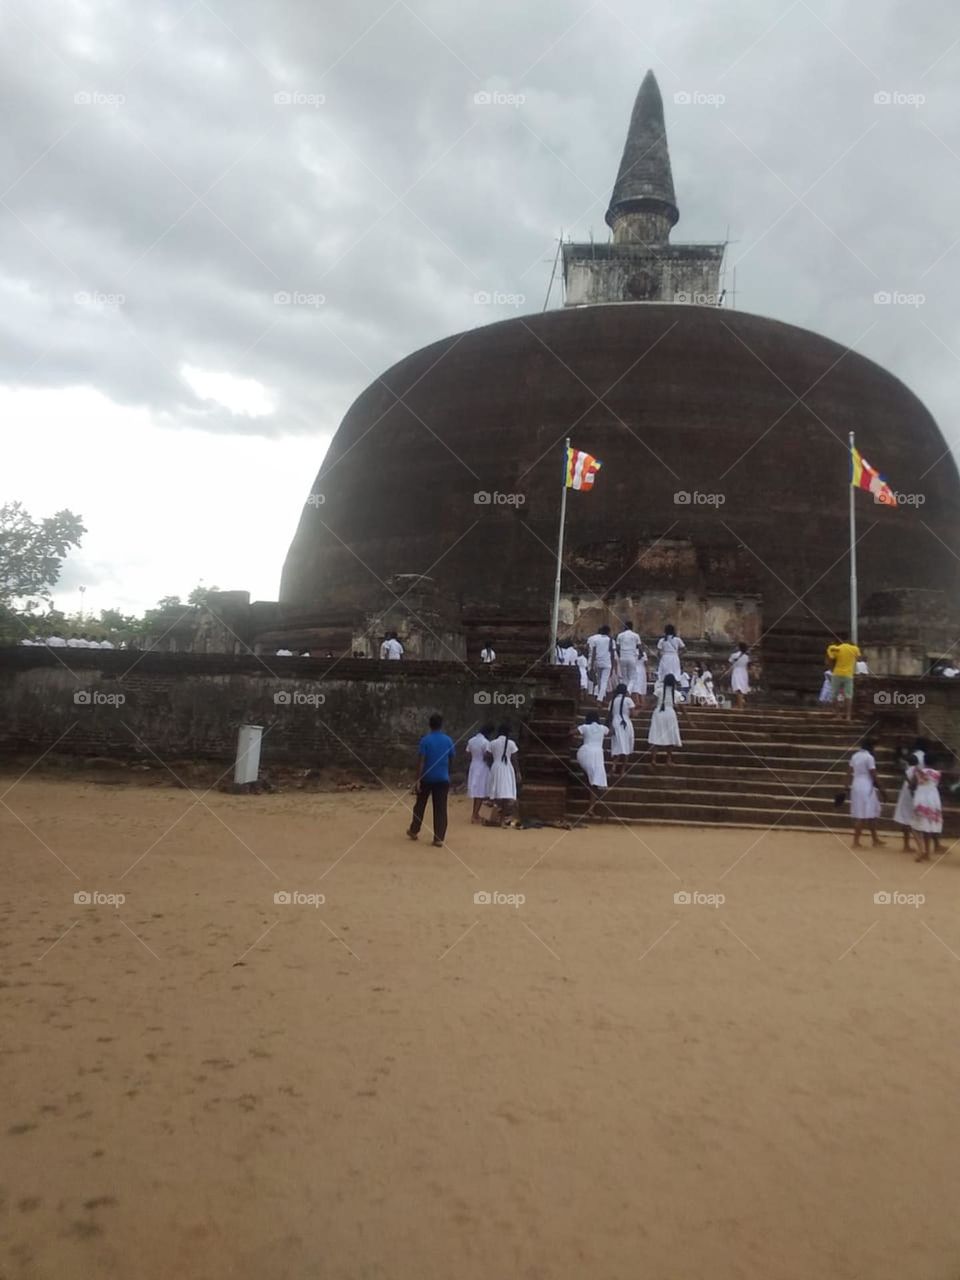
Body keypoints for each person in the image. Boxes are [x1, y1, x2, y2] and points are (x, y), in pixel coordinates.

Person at [406, 713, 455, 848]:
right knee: (440, 808)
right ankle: (439, 838)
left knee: (420, 805)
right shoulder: (448, 740)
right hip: (442, 778)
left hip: (427, 778)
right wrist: (447, 773)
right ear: (441, 725)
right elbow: (451, 759)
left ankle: (414, 830)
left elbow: (421, 761)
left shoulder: (425, 740)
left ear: (430, 725)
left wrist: (418, 779)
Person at [848, 741, 884, 849]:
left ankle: (875, 839)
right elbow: (873, 774)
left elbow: (849, 772)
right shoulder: (869, 757)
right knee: (863, 814)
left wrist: (844, 787)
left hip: (856, 784)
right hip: (866, 786)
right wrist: (881, 788)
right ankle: (856, 841)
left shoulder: (854, 756)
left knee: (869, 813)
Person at [911, 755, 944, 862]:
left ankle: (921, 849)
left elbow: (912, 785)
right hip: (933, 799)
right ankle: (927, 853)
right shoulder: (937, 773)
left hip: (921, 798)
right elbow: (935, 784)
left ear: (924, 761)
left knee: (914, 826)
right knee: (927, 827)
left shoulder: (918, 771)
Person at [485, 724, 519, 825]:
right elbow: (514, 759)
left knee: (496, 791)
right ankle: (502, 818)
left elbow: (487, 755)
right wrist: (518, 772)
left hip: (496, 767)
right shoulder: (511, 744)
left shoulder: (492, 743)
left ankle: (496, 812)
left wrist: (492, 763)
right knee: (506, 792)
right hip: (507, 768)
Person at [648, 672, 682, 767]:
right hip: (670, 714)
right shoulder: (676, 694)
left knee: (656, 735)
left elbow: (651, 701)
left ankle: (654, 759)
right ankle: (668, 759)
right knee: (670, 736)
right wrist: (688, 719)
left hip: (658, 713)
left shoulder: (659, 690)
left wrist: (643, 709)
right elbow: (680, 707)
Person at [826, 634, 862, 721]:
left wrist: (832, 669)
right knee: (848, 696)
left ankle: (837, 715)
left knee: (834, 695)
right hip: (848, 675)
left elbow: (830, 660)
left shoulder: (835, 648)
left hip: (837, 673)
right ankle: (848, 716)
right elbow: (859, 658)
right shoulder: (854, 649)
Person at [893, 750, 923, 853]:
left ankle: (906, 845)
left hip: (904, 794)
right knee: (914, 820)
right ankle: (920, 845)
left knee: (905, 820)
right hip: (913, 795)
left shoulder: (907, 770)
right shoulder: (917, 770)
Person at [466, 722, 494, 823]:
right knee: (481, 791)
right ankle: (474, 815)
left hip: (473, 765)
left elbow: (468, 753)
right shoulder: (486, 742)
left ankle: (475, 813)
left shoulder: (471, 740)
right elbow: (487, 755)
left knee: (476, 791)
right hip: (482, 767)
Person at [576, 709, 609, 793]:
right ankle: (592, 804)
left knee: (588, 770)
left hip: (585, 752)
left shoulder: (585, 727)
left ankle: (587, 780)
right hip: (598, 754)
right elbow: (610, 732)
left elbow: (573, 732)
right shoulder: (603, 728)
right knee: (595, 778)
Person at [607, 682, 635, 780]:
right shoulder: (628, 700)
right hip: (626, 723)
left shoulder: (612, 701)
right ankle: (623, 770)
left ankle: (614, 765)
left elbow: (610, 715)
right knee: (627, 746)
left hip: (615, 723)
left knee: (617, 745)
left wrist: (610, 726)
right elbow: (633, 714)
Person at [586, 625, 616, 703]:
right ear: (609, 632)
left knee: (599, 681)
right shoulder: (610, 640)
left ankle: (600, 697)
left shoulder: (596, 640)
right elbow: (612, 654)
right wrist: (612, 666)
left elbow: (593, 654)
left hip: (598, 662)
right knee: (604, 682)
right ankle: (600, 699)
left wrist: (592, 665)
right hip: (607, 662)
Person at [616, 622, 641, 694]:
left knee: (624, 677)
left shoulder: (620, 635)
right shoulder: (636, 635)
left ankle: (623, 691)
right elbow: (639, 647)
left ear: (624, 627)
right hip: (631, 657)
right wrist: (640, 654)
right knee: (633, 677)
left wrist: (620, 655)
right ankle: (628, 690)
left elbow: (617, 648)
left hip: (623, 657)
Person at [729, 643, 751, 710]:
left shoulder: (734, 655)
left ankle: (740, 706)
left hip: (737, 672)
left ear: (738, 647)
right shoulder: (747, 656)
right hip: (744, 672)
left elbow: (730, 661)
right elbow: (749, 664)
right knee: (742, 688)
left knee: (738, 689)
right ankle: (740, 703)